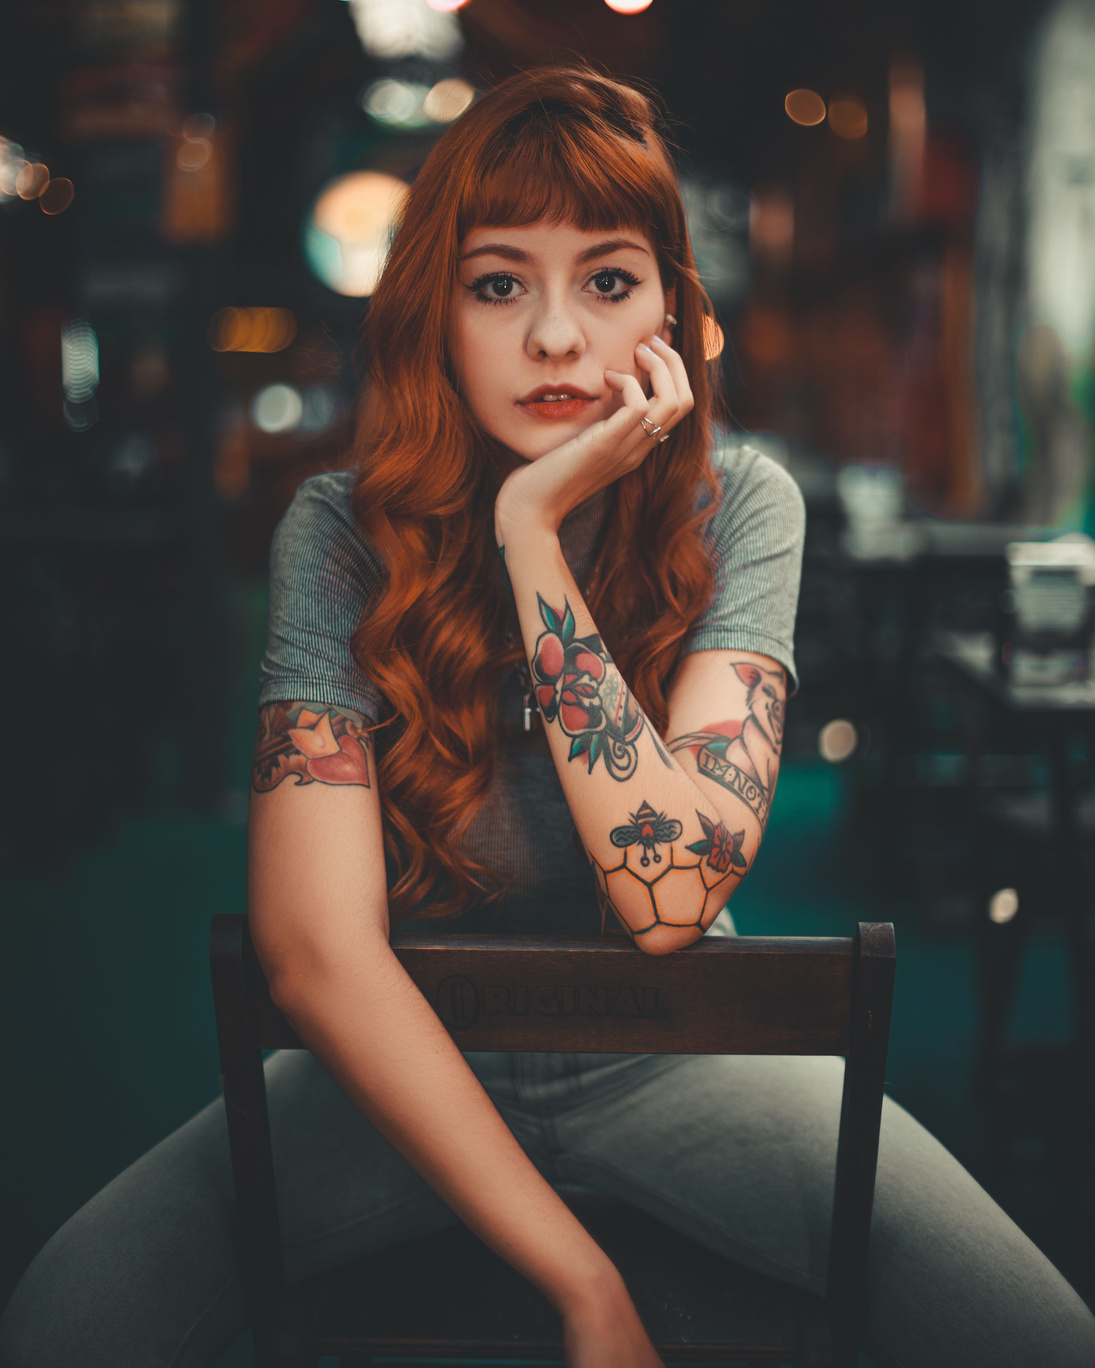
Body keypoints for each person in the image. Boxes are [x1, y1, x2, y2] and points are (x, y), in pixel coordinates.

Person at [2, 64, 1094, 1368]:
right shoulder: (340, 530)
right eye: (501, 283)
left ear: (674, 316)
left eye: (610, 281)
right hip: (398, 1063)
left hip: (679, 1049)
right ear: (436, 313)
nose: (559, 338)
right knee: (66, 1315)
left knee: (1036, 1333)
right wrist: (582, 1280)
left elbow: (671, 899)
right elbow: (315, 955)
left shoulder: (741, 504)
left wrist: (531, 537)